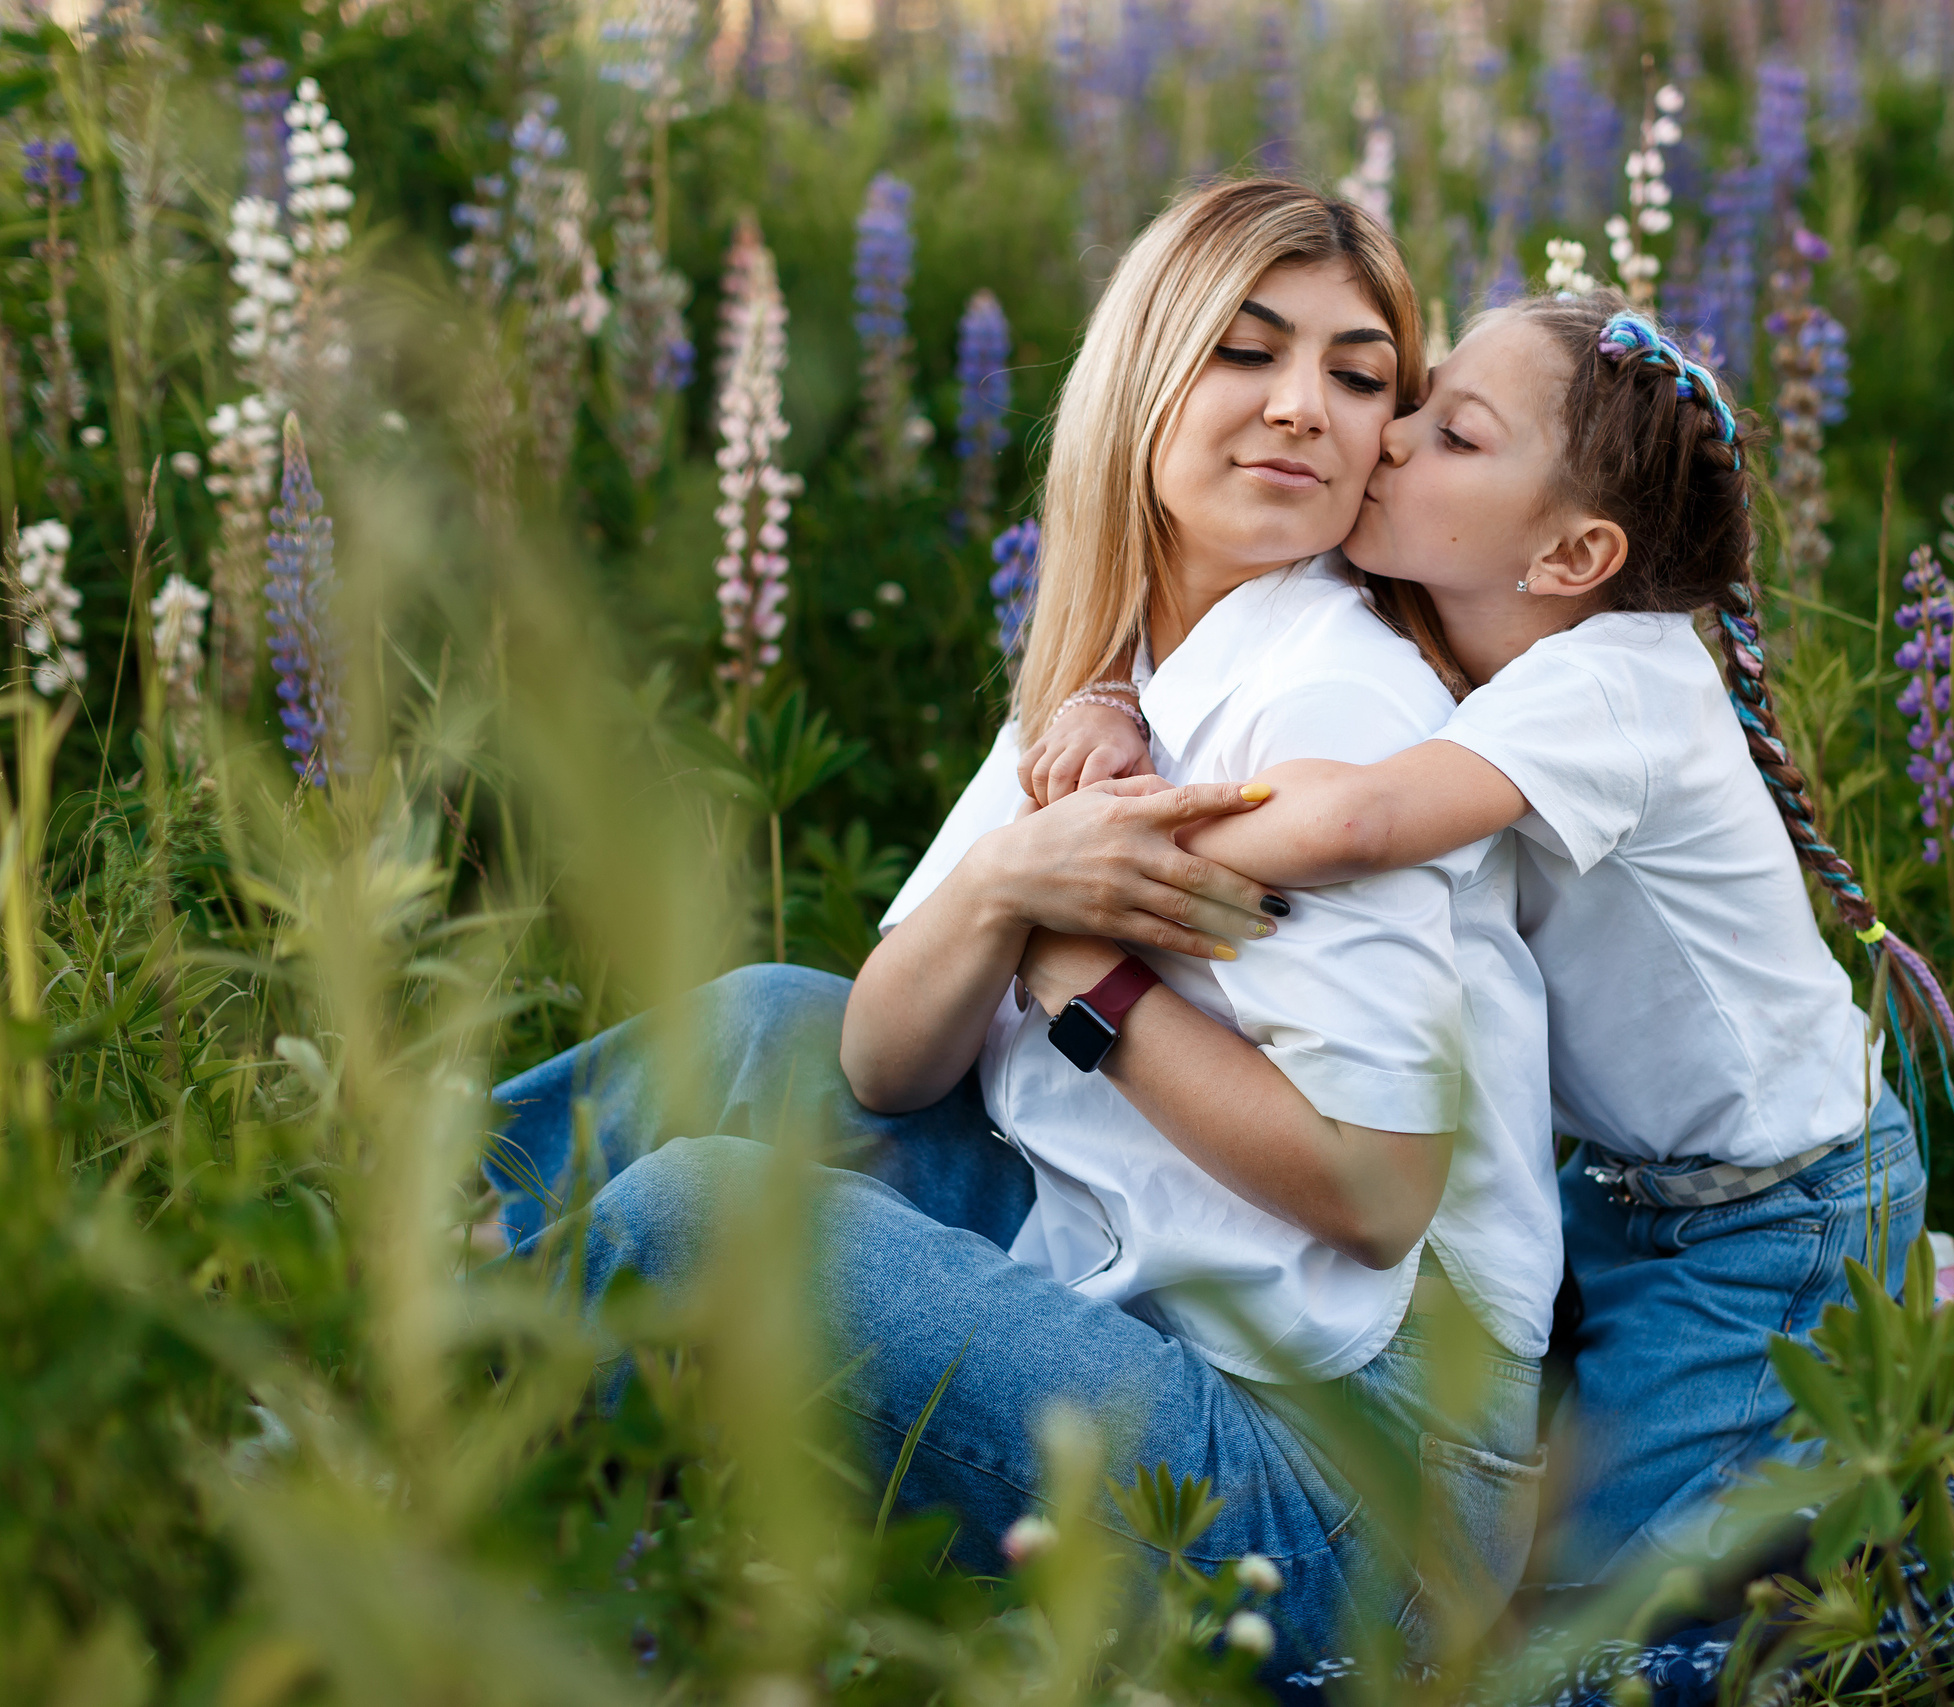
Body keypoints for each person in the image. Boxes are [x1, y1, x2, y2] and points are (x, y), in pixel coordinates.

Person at [485, 179, 1558, 1671]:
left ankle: (449, 1474)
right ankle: (400, 1280)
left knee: (705, 1215)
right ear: (1144, 372)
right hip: (1186, 1317)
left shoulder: (1331, 699)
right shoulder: (1125, 664)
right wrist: (1005, 886)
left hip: (1351, 1495)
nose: (1303, 407)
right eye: (1246, 352)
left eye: (1360, 375)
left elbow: (1378, 1192)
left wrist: (1077, 971)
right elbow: (877, 1061)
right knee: (762, 1024)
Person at [1022, 290, 1947, 1585]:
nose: (1390, 436)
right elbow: (1205, 618)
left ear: (1570, 560)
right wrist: (1117, 693)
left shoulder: (1620, 679)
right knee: (1565, 1543)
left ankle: (1915, 1371)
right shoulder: (1456, 602)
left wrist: (1096, 863)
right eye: (1417, 400)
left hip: (1775, 1209)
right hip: (1620, 1186)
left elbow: (1354, 819)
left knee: (1620, 1604)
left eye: (1454, 434)